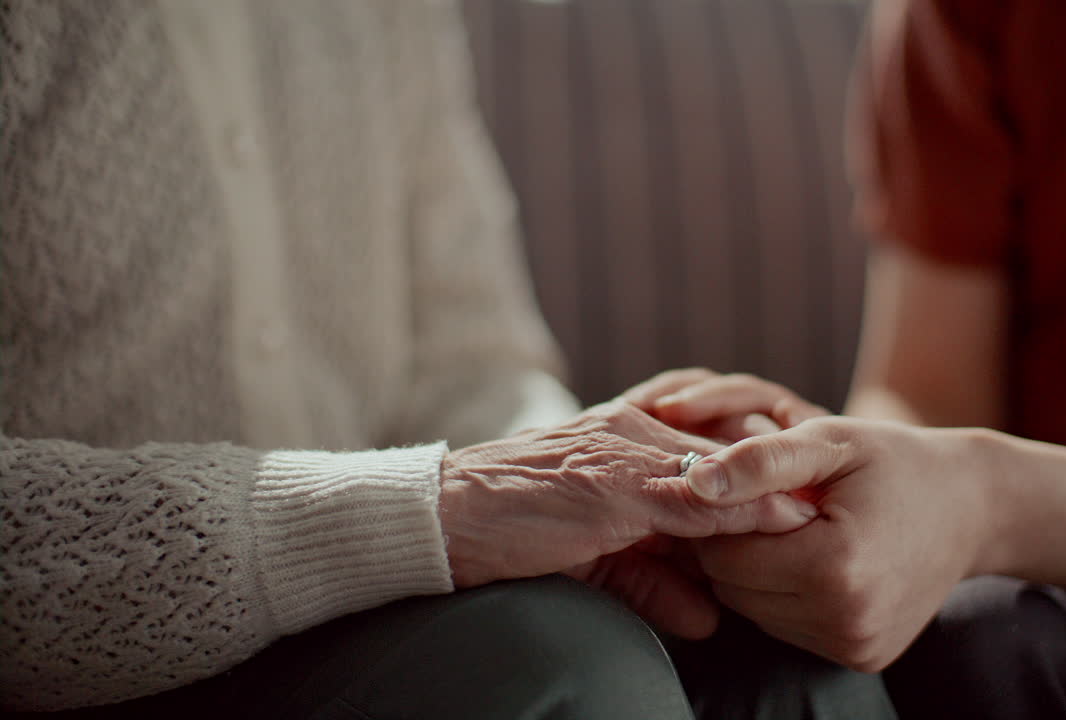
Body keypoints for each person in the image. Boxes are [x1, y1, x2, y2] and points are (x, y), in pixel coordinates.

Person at [0, 2, 899, 718]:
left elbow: (473, 366)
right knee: (568, 671)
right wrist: (434, 509)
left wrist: (623, 481)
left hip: (364, 622)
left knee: (788, 658)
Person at [627, 0, 1066, 717]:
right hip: (1025, 562)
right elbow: (928, 390)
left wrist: (986, 499)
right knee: (972, 640)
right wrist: (837, 470)